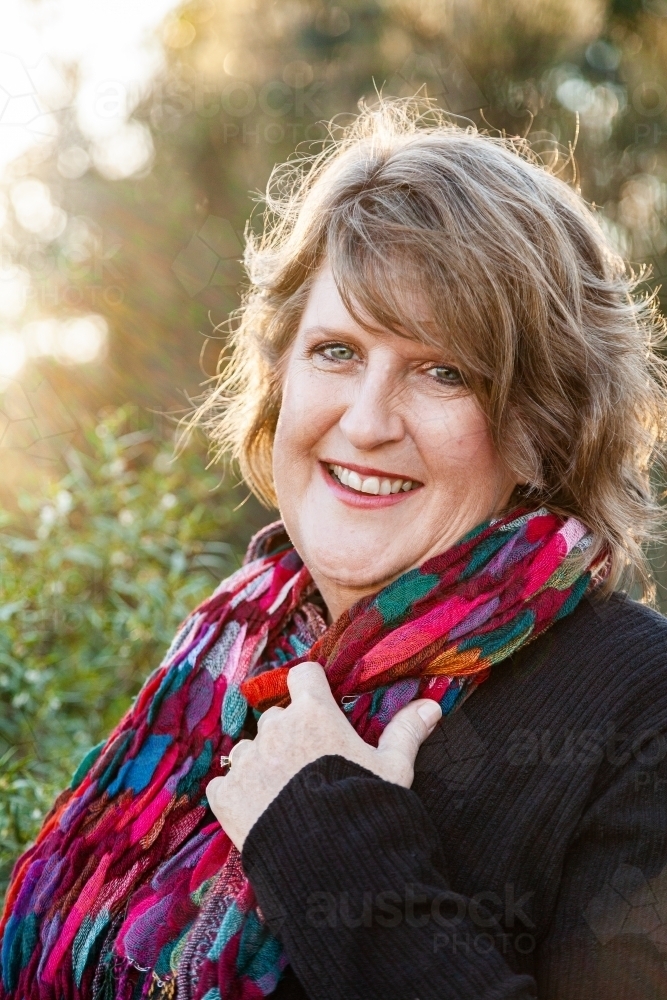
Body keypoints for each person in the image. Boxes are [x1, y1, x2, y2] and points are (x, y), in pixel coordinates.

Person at [1, 99, 667, 1000]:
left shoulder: (638, 710)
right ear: (278, 377)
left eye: (444, 372)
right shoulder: (226, 653)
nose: (364, 422)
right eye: (336, 351)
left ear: (542, 429)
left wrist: (333, 844)